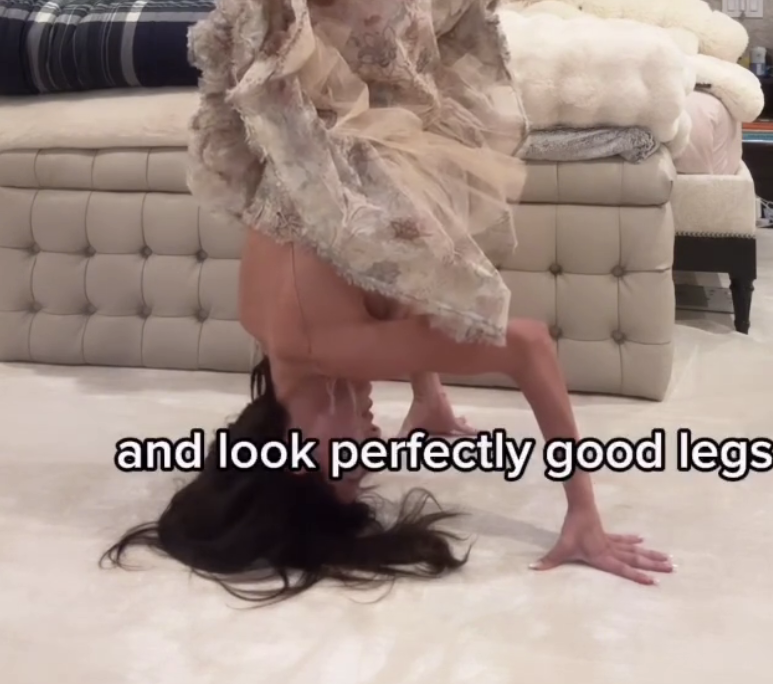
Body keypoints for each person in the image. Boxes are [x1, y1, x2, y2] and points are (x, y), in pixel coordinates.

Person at [101, 0, 672, 601]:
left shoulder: (332, 347)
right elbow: (390, 267)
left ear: (300, 458)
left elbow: (528, 347)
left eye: (349, 465)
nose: (371, 450)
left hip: (368, 46)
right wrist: (430, 396)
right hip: (336, 75)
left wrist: (583, 512)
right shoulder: (264, 323)